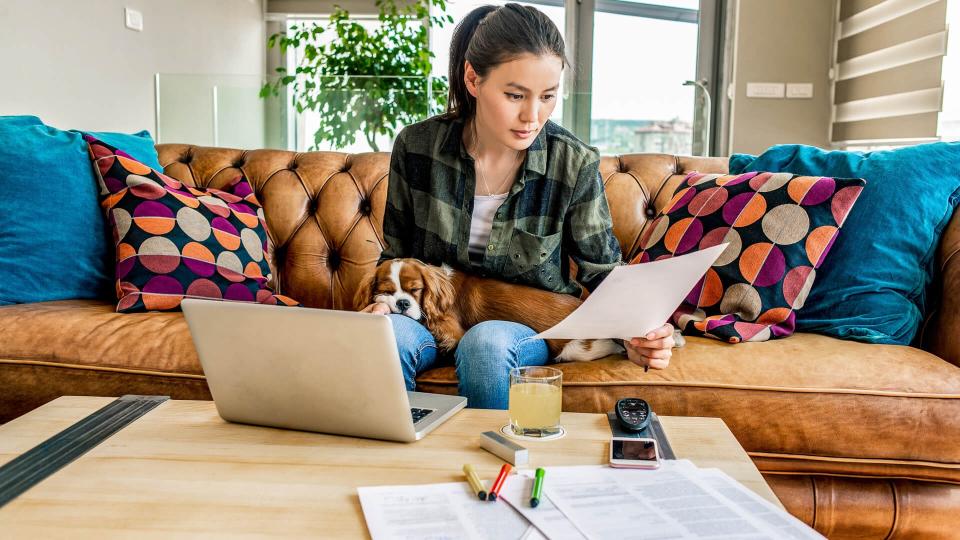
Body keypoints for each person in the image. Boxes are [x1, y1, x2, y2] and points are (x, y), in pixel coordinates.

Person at [360, 3, 675, 409]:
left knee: (486, 344)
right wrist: (378, 305)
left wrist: (639, 332)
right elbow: (396, 254)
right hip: (428, 315)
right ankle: (399, 466)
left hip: (519, 326)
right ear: (473, 78)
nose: (532, 116)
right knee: (387, 339)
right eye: (514, 95)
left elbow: (603, 274)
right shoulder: (417, 147)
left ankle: (496, 470)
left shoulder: (573, 162)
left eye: (547, 96)